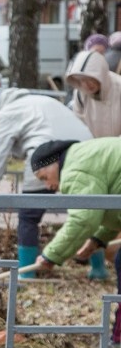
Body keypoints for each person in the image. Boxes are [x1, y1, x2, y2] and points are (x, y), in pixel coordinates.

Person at [0, 80, 92, 277]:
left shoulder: (6, 113)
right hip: (86, 152)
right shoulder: (40, 100)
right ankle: (97, 269)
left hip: (48, 158)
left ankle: (26, 273)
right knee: (90, 209)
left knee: (28, 216)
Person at [31, 138, 121, 343]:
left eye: (45, 177)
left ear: (54, 163)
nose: (50, 186)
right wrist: (96, 240)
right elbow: (110, 205)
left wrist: (50, 256)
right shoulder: (82, 157)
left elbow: (84, 218)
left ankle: (119, 338)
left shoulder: (74, 172)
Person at [65, 49, 121, 279]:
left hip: (118, 157)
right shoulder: (80, 98)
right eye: (80, 80)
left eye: (89, 79)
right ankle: (97, 266)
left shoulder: (119, 88)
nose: (86, 85)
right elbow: (77, 127)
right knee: (92, 211)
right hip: (96, 158)